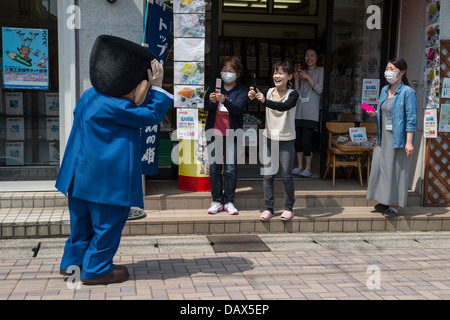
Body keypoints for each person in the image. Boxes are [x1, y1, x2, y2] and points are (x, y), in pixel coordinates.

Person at [56, 35, 174, 285]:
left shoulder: (90, 95)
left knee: (81, 225)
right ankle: (96, 270)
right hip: (104, 183)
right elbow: (151, 114)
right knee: (106, 226)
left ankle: (72, 265)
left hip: (77, 178)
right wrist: (159, 86)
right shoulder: (117, 106)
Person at [365, 58, 417, 218]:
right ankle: (384, 200)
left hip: (399, 139)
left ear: (402, 72)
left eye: (392, 69)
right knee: (381, 169)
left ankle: (393, 205)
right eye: (387, 68)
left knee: (395, 170)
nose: (388, 72)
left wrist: (409, 142)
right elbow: (384, 111)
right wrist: (373, 112)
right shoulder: (384, 90)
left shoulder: (408, 92)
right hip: (383, 138)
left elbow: (411, 118)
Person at [249, 61, 299, 221]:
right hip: (269, 138)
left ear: (289, 76)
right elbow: (255, 99)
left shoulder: (294, 94)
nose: (277, 76)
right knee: (268, 175)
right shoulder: (268, 92)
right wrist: (252, 96)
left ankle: (289, 208)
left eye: (281, 73)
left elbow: (283, 107)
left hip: (286, 139)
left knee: (286, 176)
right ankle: (269, 208)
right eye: (275, 72)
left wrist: (264, 101)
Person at [204, 56, 248, 215]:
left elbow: (238, 108)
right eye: (224, 70)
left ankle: (229, 201)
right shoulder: (214, 86)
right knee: (215, 169)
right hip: (214, 132)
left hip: (232, 134)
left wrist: (225, 100)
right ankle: (216, 200)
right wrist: (211, 101)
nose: (227, 73)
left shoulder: (241, 90)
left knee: (230, 169)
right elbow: (206, 107)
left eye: (231, 71)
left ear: (237, 74)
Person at [292, 47, 324, 178]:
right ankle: (299, 166)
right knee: (297, 141)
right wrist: (296, 78)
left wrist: (306, 76)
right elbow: (296, 92)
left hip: (311, 113)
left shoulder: (321, 71)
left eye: (312, 55)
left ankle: (308, 167)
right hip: (299, 112)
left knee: (306, 141)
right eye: (307, 55)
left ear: (317, 57)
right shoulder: (302, 72)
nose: (309, 58)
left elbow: (320, 90)